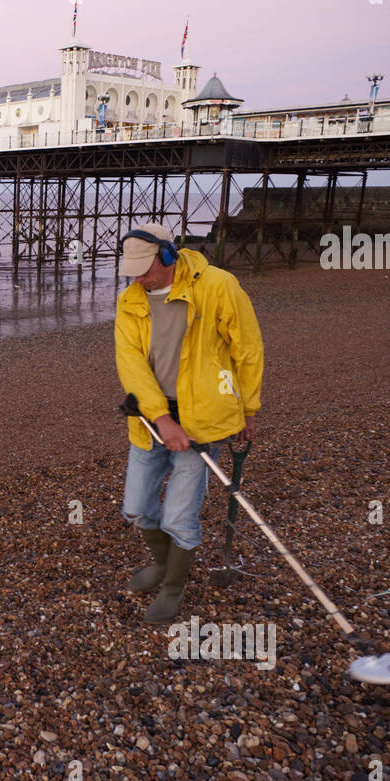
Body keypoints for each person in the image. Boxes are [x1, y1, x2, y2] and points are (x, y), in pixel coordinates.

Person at [114, 224, 264, 623]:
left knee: (179, 515)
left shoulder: (218, 286)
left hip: (204, 420)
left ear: (168, 256)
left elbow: (247, 349)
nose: (138, 277)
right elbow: (130, 364)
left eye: (144, 267)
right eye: (131, 270)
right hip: (150, 421)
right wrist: (162, 420)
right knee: (136, 507)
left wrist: (248, 411)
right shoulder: (129, 302)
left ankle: (173, 587)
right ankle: (163, 564)